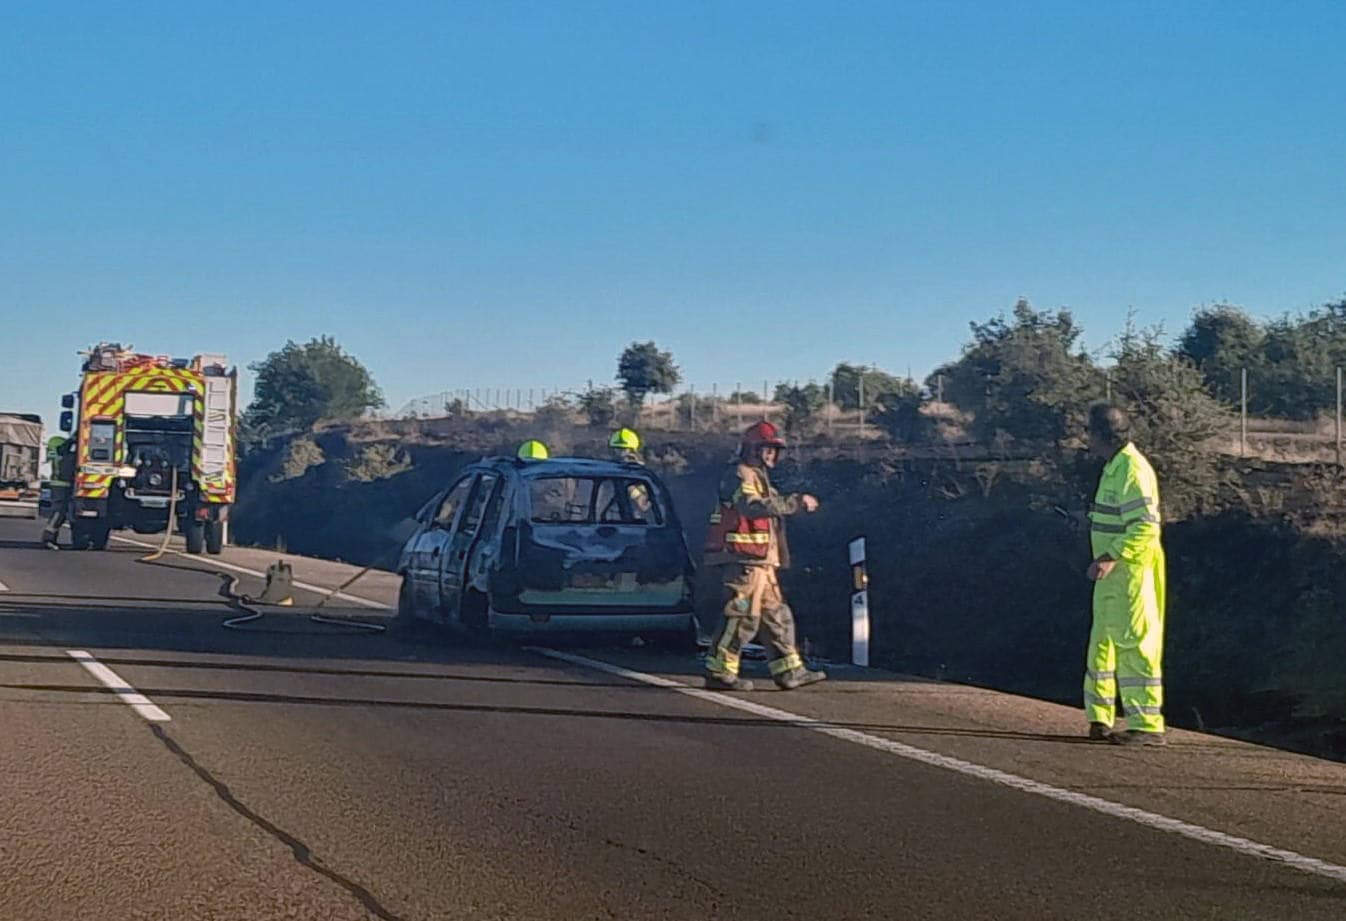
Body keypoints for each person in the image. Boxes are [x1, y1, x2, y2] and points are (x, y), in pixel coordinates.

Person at [703, 420, 826, 691]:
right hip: (745, 562)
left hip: (761, 562)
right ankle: (720, 671)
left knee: (776, 616)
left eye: (774, 450)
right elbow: (751, 507)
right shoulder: (740, 474)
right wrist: (795, 502)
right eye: (766, 449)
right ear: (752, 449)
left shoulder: (758, 476)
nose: (772, 454)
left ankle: (790, 670)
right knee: (741, 615)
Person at [1083, 403, 1167, 746]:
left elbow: (1145, 528)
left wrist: (1111, 556)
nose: (1086, 439)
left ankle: (1146, 724)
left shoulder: (1132, 469)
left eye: (1089, 432)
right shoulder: (1115, 467)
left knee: (1135, 644)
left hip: (1131, 572)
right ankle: (1100, 718)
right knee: (1103, 644)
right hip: (1114, 576)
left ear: (1103, 435)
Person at [41, 436, 76, 550]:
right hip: (62, 485)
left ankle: (50, 539)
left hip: (59, 485)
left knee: (61, 513)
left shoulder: (56, 453)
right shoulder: (63, 454)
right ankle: (49, 539)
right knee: (59, 513)